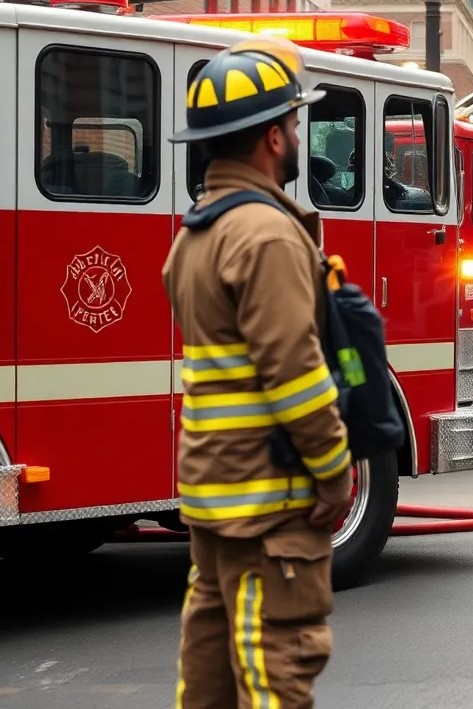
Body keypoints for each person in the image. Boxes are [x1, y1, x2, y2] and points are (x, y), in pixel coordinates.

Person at [163, 36, 353, 708]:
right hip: (269, 503)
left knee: (209, 679)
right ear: (274, 137)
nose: (298, 136)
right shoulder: (266, 235)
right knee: (276, 673)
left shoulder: (195, 235)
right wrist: (334, 471)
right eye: (295, 123)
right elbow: (294, 374)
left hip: (216, 496)